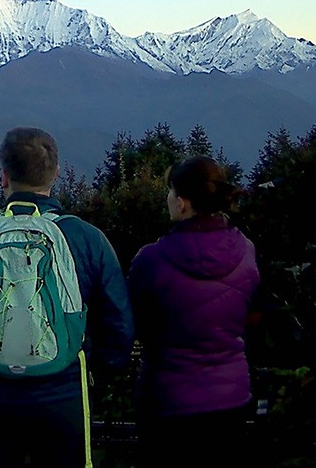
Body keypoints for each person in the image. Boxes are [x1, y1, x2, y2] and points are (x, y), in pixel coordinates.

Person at [0, 126, 134, 468]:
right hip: (64, 389)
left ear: (3, 177)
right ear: (56, 174)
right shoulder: (84, 238)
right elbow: (118, 325)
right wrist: (93, 370)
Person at [128, 156, 259, 467]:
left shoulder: (152, 261)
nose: (169, 199)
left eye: (171, 192)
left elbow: (135, 321)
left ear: (183, 203)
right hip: (231, 397)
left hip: (168, 400)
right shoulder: (246, 251)